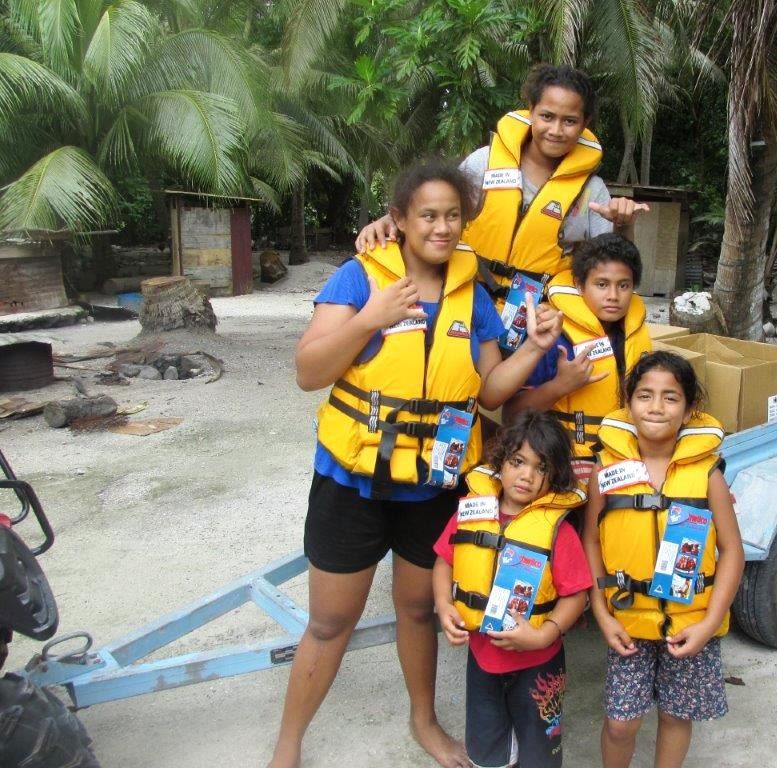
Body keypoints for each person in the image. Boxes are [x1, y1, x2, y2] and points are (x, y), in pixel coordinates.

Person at [268, 160, 564, 768]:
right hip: (352, 482)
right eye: (428, 215)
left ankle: (423, 721)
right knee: (330, 622)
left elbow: (489, 391)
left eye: (453, 215)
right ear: (398, 219)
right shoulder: (359, 278)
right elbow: (308, 371)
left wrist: (534, 347)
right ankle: (288, 745)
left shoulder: (472, 294)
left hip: (433, 486)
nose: (442, 227)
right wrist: (371, 319)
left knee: (417, 609)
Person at [356, 64, 649, 303]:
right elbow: (434, 206)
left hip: (534, 313)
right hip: (467, 295)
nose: (556, 130)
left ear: (584, 124)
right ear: (531, 111)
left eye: (569, 121)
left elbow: (615, 265)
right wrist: (391, 221)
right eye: (547, 116)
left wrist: (623, 225)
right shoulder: (484, 162)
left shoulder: (592, 191)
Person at [581, 352, 744, 768]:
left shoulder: (708, 474)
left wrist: (709, 624)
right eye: (644, 395)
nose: (656, 407)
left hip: (691, 624)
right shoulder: (606, 469)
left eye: (670, 397)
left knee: (675, 716)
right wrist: (602, 614)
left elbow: (732, 551)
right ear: (628, 404)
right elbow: (592, 542)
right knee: (620, 724)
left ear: (689, 410)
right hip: (627, 623)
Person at [433, 410, 592, 768]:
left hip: (540, 665)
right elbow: (444, 561)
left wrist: (544, 635)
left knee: (540, 754)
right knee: (489, 750)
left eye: (541, 467)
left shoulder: (559, 531)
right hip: (482, 660)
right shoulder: (471, 513)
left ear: (555, 477)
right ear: (500, 463)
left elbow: (576, 594)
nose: (526, 475)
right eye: (518, 462)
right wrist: (444, 604)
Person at [503, 233, 652, 481]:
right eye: (602, 284)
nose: (613, 295)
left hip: (624, 460)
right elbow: (511, 415)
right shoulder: (553, 337)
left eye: (623, 285)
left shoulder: (635, 335)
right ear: (579, 285)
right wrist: (560, 386)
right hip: (564, 463)